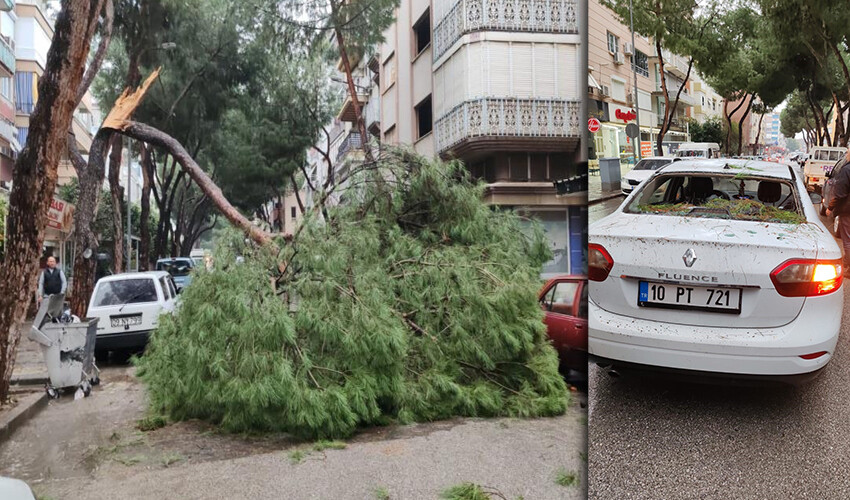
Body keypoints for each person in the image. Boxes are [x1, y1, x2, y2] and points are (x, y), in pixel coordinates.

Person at [826, 149, 850, 267]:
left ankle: (848, 268)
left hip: (847, 210)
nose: (846, 154)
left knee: (847, 240)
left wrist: (830, 208)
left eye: (847, 152)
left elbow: (840, 193)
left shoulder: (846, 170)